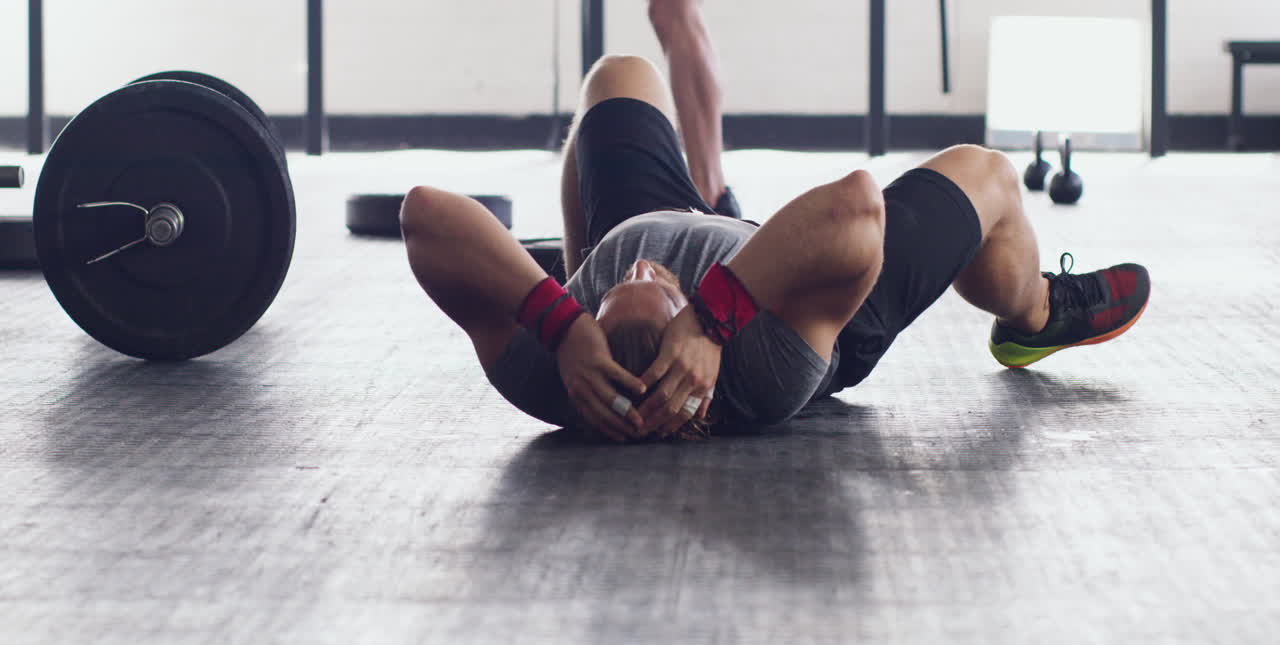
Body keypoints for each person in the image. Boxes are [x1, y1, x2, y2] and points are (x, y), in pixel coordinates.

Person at [400, 4, 1150, 443]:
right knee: (989, 176)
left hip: (648, 217)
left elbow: (426, 216)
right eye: (656, 285)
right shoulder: (766, 364)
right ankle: (1037, 314)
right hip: (797, 286)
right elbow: (854, 206)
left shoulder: (558, 375)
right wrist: (713, 317)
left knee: (618, 74)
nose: (638, 266)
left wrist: (562, 320)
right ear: (696, 354)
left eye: (611, 288)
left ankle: (602, 257)